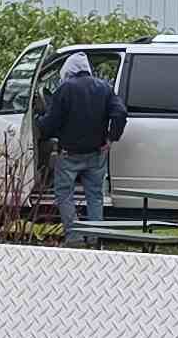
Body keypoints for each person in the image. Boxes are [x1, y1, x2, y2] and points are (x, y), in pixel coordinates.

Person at [39, 50, 126, 235]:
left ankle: (74, 236)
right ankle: (95, 238)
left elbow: (52, 121)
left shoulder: (65, 89)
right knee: (95, 196)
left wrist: (41, 129)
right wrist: (111, 138)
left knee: (64, 194)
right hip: (96, 153)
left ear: (69, 70)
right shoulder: (105, 87)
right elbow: (120, 113)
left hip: (69, 155)